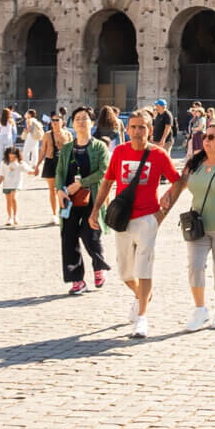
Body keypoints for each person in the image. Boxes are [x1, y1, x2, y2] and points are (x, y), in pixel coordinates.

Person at [91, 109, 182, 338]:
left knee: (144, 268)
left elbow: (179, 182)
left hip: (147, 218)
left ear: (150, 130)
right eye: (133, 127)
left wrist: (163, 212)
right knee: (124, 272)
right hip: (122, 219)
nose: (137, 131)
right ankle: (142, 295)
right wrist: (95, 211)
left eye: (142, 127)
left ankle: (142, 318)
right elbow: (107, 182)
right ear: (127, 129)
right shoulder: (120, 152)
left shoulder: (159, 155)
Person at [159, 122, 215, 332]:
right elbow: (181, 183)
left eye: (211, 137)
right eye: (205, 137)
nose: (206, 141)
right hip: (197, 224)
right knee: (195, 266)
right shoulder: (196, 162)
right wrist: (169, 194)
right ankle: (200, 310)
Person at [54, 106, 110, 296]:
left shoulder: (99, 147)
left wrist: (81, 183)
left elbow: (104, 171)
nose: (80, 122)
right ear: (72, 123)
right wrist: (59, 191)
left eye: (85, 118)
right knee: (68, 237)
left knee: (90, 234)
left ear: (92, 123)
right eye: (77, 118)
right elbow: (60, 172)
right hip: (69, 200)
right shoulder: (67, 148)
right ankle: (77, 280)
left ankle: (98, 265)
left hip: (92, 198)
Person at [40, 114, 71, 223]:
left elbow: (72, 151)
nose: (54, 122)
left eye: (57, 120)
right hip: (50, 162)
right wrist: (38, 165)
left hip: (63, 164)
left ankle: (64, 212)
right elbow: (43, 150)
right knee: (52, 190)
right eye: (53, 120)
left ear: (62, 122)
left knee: (64, 189)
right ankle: (54, 215)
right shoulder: (47, 135)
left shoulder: (68, 134)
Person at [0, 146, 27, 226]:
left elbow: (28, 170)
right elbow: (1, 174)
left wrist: (35, 171)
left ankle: (15, 216)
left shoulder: (20, 163)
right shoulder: (4, 163)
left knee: (14, 198)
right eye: (10, 157)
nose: (12, 159)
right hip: (6, 184)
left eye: (14, 157)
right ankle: (9, 217)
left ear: (17, 156)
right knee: (8, 201)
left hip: (16, 184)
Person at [0, 108, 17, 172]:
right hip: (8, 136)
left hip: (1, 136)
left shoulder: (0, 119)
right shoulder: (10, 119)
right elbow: (13, 126)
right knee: (9, 152)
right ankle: (10, 166)